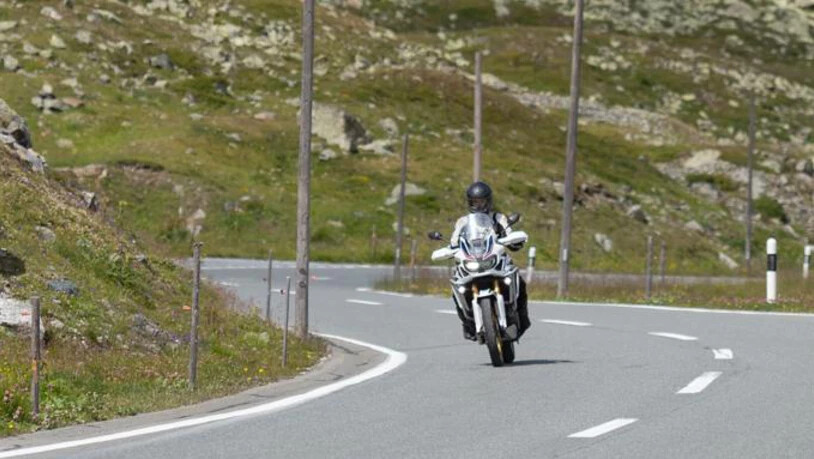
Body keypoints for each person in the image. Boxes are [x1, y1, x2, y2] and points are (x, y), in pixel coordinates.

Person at [450, 181, 531, 341]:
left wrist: (514, 241)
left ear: (488, 201)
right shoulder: (462, 222)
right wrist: (450, 249)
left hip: (496, 259)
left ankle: (521, 319)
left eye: (481, 201)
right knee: (456, 286)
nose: (478, 205)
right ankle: (468, 323)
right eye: (474, 202)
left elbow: (508, 233)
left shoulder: (498, 217)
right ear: (469, 202)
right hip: (473, 261)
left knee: (519, 282)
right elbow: (453, 243)